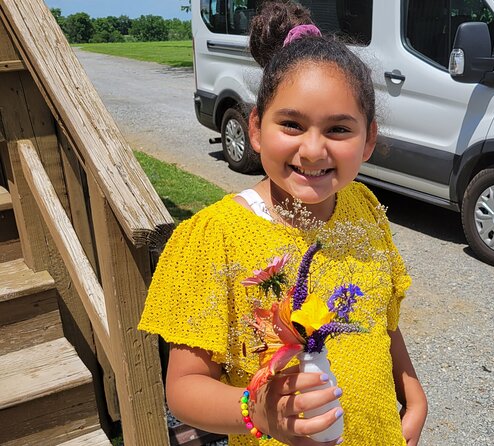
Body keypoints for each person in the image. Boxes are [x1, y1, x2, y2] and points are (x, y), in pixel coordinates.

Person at [138, 1, 428, 445]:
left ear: (368, 139)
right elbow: (183, 389)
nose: (313, 150)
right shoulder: (213, 238)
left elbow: (380, 318)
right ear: (255, 128)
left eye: (338, 130)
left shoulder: (364, 207)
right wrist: (258, 411)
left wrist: (412, 391)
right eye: (291, 124)